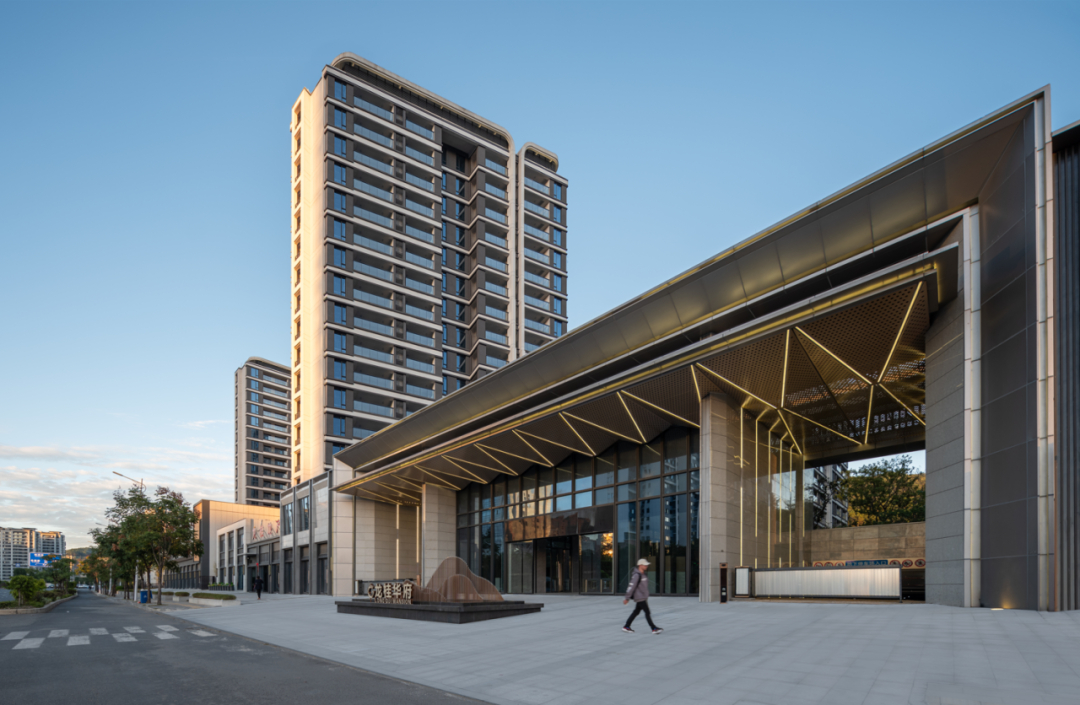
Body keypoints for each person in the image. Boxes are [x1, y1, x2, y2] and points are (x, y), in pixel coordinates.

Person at [622, 558, 662, 634]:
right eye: (645, 565)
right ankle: (653, 628)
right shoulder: (636, 575)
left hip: (643, 597)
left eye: (647, 565)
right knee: (647, 612)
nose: (646, 566)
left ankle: (626, 626)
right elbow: (631, 586)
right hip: (639, 597)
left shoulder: (644, 574)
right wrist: (627, 598)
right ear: (640, 565)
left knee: (636, 612)